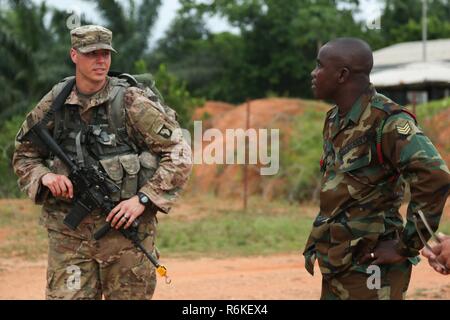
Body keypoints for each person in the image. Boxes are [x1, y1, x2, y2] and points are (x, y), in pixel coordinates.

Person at [12, 25, 192, 299]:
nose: (100, 60)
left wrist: (142, 199)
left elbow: (179, 153)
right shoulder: (55, 103)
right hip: (69, 237)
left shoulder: (131, 102)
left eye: (105, 53)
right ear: (74, 55)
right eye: (91, 53)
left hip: (124, 235)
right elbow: (25, 153)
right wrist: (45, 177)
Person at [302, 37, 450, 300]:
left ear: (342, 75)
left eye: (319, 66)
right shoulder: (335, 119)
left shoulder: (388, 122)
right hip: (338, 260)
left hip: (372, 266)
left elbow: (434, 175)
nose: (313, 74)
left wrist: (407, 244)